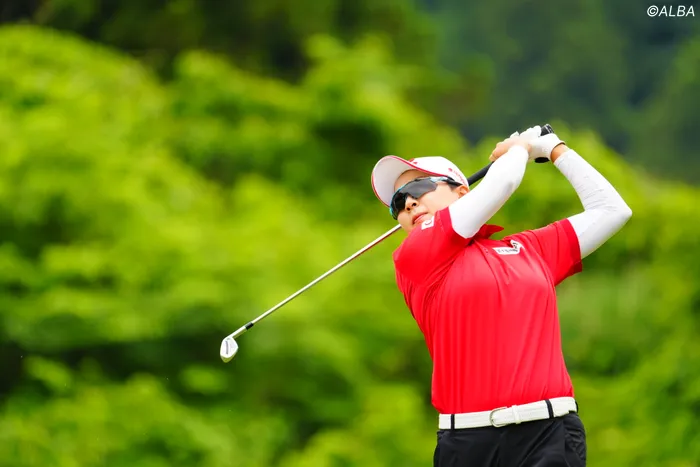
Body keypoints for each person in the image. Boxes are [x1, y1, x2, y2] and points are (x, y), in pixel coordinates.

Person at [369, 125, 632, 467]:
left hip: (550, 434)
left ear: (462, 191)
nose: (409, 202)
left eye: (419, 187)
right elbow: (503, 182)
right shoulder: (414, 257)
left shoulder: (529, 249)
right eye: (397, 203)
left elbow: (612, 210)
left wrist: (554, 149)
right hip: (468, 443)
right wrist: (520, 148)